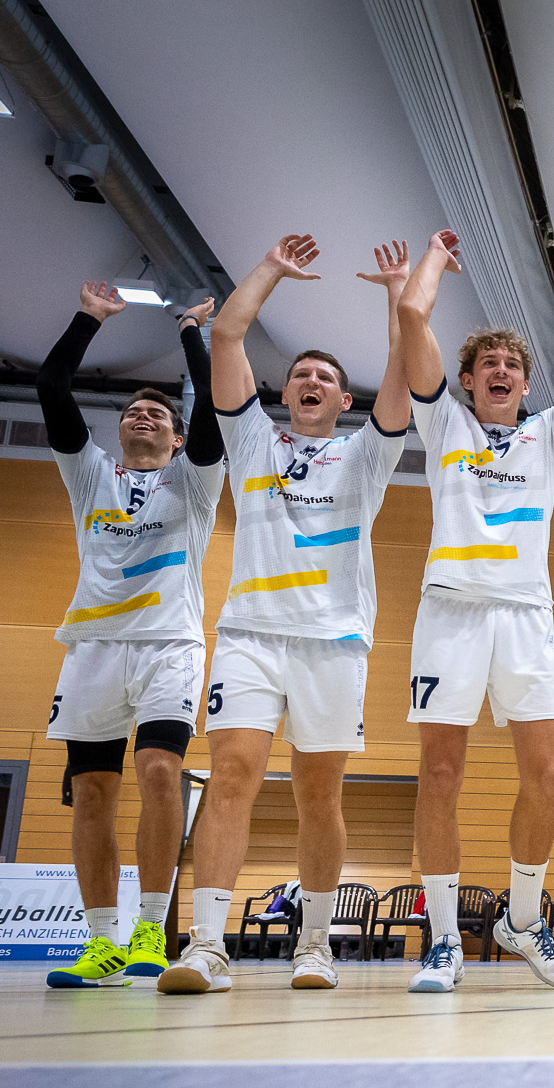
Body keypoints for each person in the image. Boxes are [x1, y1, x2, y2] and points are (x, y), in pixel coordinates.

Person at [161, 236, 411, 995]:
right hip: (250, 635)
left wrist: (398, 294)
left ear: (343, 401)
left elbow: (406, 375)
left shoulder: (367, 456)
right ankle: (207, 944)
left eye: (326, 378)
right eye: (301, 373)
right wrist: (267, 268)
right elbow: (227, 336)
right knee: (232, 773)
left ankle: (315, 944)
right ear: (284, 393)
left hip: (334, 643)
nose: (310, 379)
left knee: (317, 793)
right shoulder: (251, 441)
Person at [396, 228, 554, 993]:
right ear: (466, 380)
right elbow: (412, 323)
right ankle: (443, 940)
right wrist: (432, 260)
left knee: (547, 773)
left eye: (512, 364)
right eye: (487, 363)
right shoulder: (443, 424)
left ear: (526, 384)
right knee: (440, 773)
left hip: (525, 615)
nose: (500, 370)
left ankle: (522, 922)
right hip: (451, 612)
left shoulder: (548, 436)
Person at [39, 283, 224, 988]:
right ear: (119, 432)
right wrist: (89, 316)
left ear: (176, 437)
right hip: (91, 650)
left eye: (158, 412)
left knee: (158, 772)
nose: (142, 413)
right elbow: (53, 384)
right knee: (91, 792)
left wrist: (189, 334)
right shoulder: (90, 477)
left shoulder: (197, 482)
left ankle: (151, 926)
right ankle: (100, 941)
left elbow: (213, 407)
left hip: (169, 646)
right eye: (132, 410)